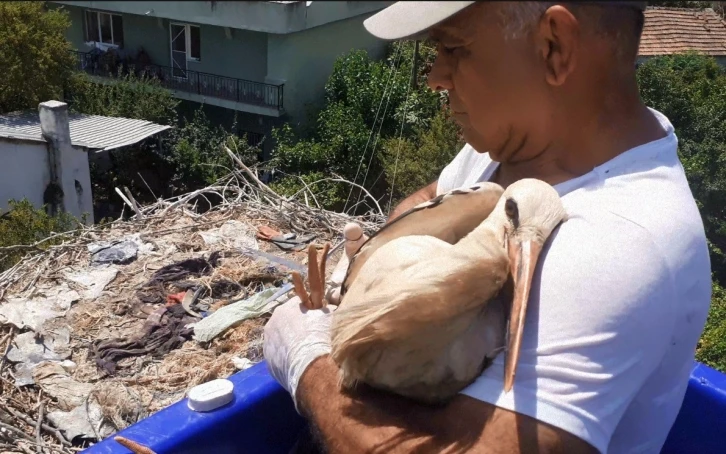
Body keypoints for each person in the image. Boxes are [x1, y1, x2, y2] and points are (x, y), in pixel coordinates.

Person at [263, 2, 713, 453]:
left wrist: (311, 362)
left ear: (553, 46)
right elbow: (431, 199)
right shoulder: (523, 141)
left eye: (454, 47)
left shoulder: (616, 249)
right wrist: (374, 269)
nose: (435, 77)